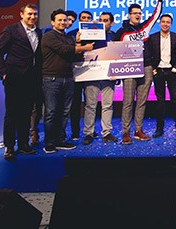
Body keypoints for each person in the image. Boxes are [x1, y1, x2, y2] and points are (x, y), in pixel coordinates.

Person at [113, 0, 164, 145]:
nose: (138, 15)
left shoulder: (145, 27)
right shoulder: (121, 32)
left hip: (146, 67)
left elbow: (156, 15)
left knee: (142, 101)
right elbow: (114, 52)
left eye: (139, 13)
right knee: (128, 102)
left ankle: (138, 130)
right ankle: (125, 132)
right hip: (129, 68)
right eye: (135, 13)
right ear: (129, 15)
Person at [0, 3, 42, 159]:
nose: (32, 17)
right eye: (29, 14)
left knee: (26, 113)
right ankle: (9, 147)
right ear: (21, 14)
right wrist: (3, 73)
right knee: (12, 113)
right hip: (14, 78)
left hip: (31, 79)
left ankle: (23, 145)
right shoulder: (11, 30)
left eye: (35, 14)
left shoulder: (38, 32)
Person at [41, 9, 93, 153]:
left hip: (68, 78)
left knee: (64, 112)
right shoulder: (49, 36)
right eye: (60, 20)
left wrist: (77, 44)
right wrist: (83, 47)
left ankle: (60, 140)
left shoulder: (69, 38)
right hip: (51, 78)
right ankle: (49, 143)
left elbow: (74, 57)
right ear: (53, 22)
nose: (63, 22)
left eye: (65, 20)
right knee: (51, 112)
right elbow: (64, 50)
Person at [82, 12, 118, 145]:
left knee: (107, 105)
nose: (103, 22)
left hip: (109, 75)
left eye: (106, 20)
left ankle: (106, 132)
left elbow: (118, 55)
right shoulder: (89, 34)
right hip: (92, 74)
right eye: (101, 20)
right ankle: (88, 133)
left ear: (111, 23)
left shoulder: (114, 36)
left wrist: (117, 73)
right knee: (90, 106)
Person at [147, 14, 176, 138]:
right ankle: (159, 129)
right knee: (160, 102)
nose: (165, 24)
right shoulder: (152, 37)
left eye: (168, 22)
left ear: (171, 24)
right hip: (159, 72)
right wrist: (153, 69)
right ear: (159, 23)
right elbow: (148, 54)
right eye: (163, 22)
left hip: (172, 71)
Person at [67, 10, 93, 141]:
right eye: (83, 18)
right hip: (76, 74)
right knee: (75, 104)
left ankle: (90, 131)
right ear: (80, 20)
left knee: (90, 103)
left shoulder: (96, 35)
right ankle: (75, 132)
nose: (86, 20)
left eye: (88, 18)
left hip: (92, 73)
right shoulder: (71, 34)